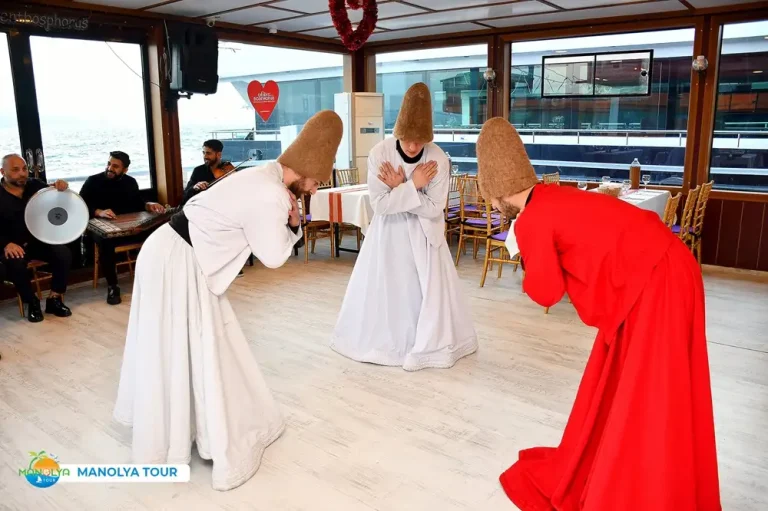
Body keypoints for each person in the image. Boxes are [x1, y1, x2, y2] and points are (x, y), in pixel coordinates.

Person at [475, 117, 721, 510]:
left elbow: (547, 293)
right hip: (668, 266)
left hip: (655, 281)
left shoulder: (532, 218)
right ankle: (656, 473)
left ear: (494, 192)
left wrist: (525, 255)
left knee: (650, 387)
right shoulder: (553, 194)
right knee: (650, 382)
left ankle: (644, 484)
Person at [113, 110, 343, 491]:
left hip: (178, 253)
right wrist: (293, 223)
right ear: (302, 170)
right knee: (179, 345)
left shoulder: (264, 174)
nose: (317, 188)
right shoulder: (271, 193)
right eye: (317, 180)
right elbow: (273, 258)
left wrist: (290, 221)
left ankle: (192, 426)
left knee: (199, 345)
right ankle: (176, 437)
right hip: (177, 259)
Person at [331, 82, 478, 371]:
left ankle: (427, 344)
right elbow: (381, 205)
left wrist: (401, 188)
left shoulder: (437, 158)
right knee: (390, 289)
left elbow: (436, 209)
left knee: (425, 292)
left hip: (425, 236)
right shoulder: (380, 153)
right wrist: (414, 187)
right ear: (398, 133)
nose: (413, 146)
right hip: (389, 235)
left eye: (419, 141)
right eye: (409, 139)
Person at [79, 151, 166, 305]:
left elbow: (137, 203)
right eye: (109, 164)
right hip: (100, 227)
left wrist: (149, 204)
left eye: (115, 166)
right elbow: (81, 204)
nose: (110, 168)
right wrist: (99, 211)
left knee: (156, 233)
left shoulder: (130, 182)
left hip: (126, 227)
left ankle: (154, 278)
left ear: (125, 170)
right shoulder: (93, 181)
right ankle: (113, 286)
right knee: (106, 242)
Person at [0, 154, 73, 323]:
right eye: (16, 170)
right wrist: (6, 244)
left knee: (63, 253)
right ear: (3, 171)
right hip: (11, 245)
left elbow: (55, 198)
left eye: (24, 169)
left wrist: (60, 187)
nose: (22, 173)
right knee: (15, 262)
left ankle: (54, 299)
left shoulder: (35, 185)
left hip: (36, 240)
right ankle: (31, 302)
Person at [182, 140, 248, 276]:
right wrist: (195, 187)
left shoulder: (229, 169)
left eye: (208, 153)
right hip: (205, 210)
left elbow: (241, 191)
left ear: (218, 154)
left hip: (226, 210)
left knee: (229, 226)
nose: (205, 156)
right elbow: (186, 195)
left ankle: (232, 265)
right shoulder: (198, 171)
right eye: (203, 153)